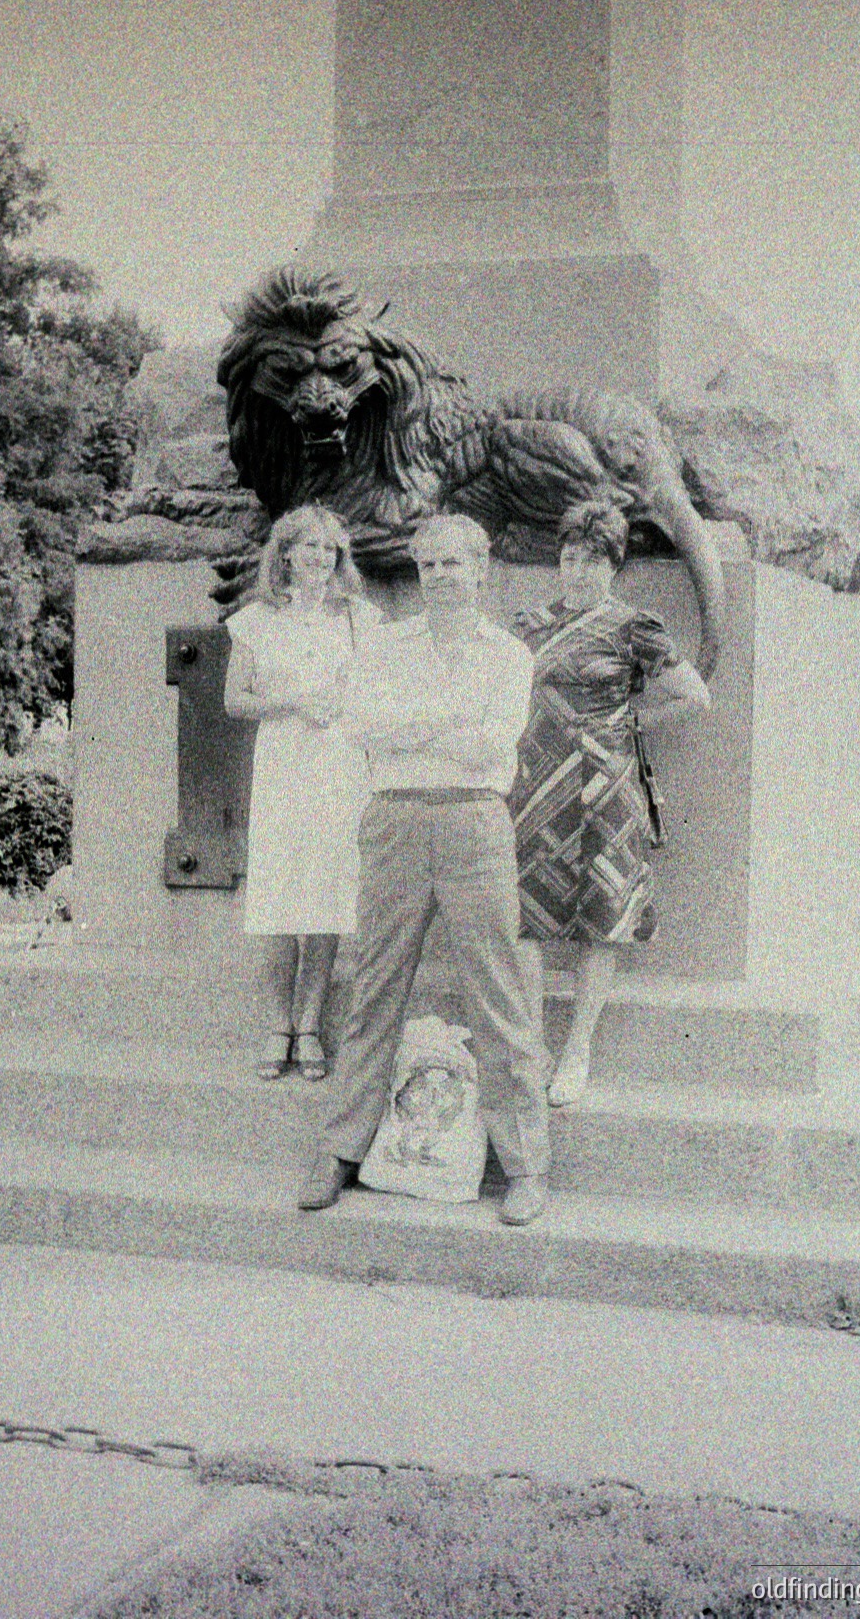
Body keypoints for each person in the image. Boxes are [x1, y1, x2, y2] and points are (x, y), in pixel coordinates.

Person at [297, 513, 552, 1226]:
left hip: (474, 819)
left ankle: (527, 1164)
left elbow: (490, 742)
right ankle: (340, 1148)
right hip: (394, 817)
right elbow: (359, 725)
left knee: (498, 990)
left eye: (453, 564)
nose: (440, 576)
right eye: (429, 565)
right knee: (376, 982)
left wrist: (413, 723)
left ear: (480, 569)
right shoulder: (384, 644)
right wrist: (441, 723)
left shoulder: (507, 653)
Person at [510, 507, 712, 1107]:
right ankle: (538, 1049)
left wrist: (631, 723)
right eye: (570, 556)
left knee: (603, 914)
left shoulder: (633, 628)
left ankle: (577, 1050)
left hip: (605, 783)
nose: (578, 569)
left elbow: (694, 696)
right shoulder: (529, 625)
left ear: (614, 565)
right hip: (535, 780)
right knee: (524, 915)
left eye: (593, 558)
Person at [223, 504, 383, 1081]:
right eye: (307, 546)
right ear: (284, 553)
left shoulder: (361, 619)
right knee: (278, 893)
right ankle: (277, 1025)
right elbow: (235, 699)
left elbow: (381, 692)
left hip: (340, 763)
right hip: (285, 760)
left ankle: (310, 1025)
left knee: (326, 894)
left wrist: (349, 706)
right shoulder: (256, 620)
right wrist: (292, 703)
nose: (319, 557)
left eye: (328, 548)